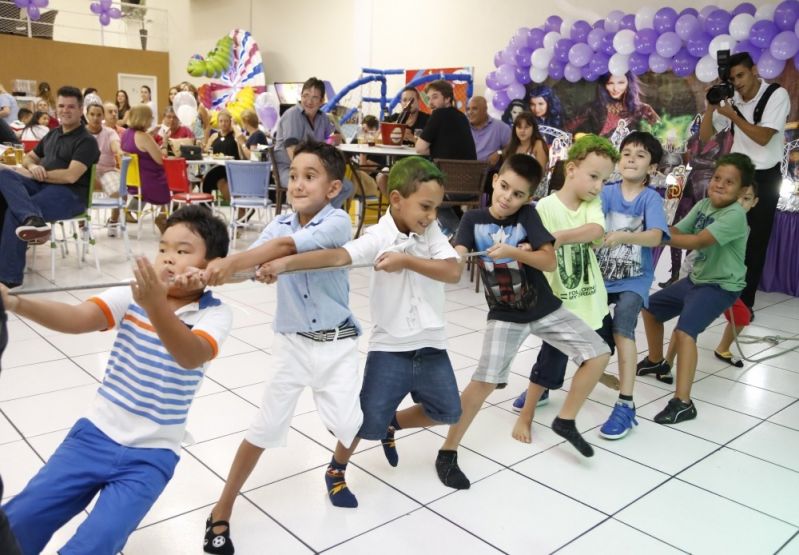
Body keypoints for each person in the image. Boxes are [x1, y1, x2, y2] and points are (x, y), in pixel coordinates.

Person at [1, 206, 233, 554]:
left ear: (211, 266)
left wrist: (155, 305)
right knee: (21, 518)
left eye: (183, 252)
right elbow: (79, 318)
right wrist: (15, 303)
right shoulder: (134, 294)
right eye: (163, 248)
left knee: (98, 542)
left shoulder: (215, 313)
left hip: (151, 457)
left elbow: (190, 356)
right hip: (94, 435)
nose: (168, 259)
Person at [260, 156, 462, 507]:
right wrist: (284, 264)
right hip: (390, 347)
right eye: (426, 206)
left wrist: (407, 261)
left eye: (435, 208)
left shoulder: (430, 232)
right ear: (397, 199)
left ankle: (392, 426)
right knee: (362, 423)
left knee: (447, 411)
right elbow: (339, 256)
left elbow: (453, 272)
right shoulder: (377, 236)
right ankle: (336, 469)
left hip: (432, 343)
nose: (431, 215)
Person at [199, 141, 361, 555]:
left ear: (333, 188)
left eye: (310, 176)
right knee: (264, 427)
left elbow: (288, 251)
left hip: (337, 344)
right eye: (293, 175)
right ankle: (222, 508)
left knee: (351, 422)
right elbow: (255, 263)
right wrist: (209, 275)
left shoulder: (339, 221)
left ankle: (336, 470)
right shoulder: (277, 226)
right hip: (292, 346)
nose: (298, 184)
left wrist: (238, 262)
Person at [435, 152, 613, 490]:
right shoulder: (473, 219)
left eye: (518, 194)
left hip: (546, 308)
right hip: (505, 315)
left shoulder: (529, 216)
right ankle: (448, 450)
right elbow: (457, 258)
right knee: (483, 383)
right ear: (494, 181)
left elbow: (547, 262)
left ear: (528, 197)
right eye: (504, 187)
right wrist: (449, 258)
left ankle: (565, 420)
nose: (507, 197)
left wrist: (513, 252)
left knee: (599, 353)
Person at [510, 135, 620, 442]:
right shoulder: (543, 208)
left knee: (599, 354)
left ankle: (567, 416)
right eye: (593, 176)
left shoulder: (592, 204)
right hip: (561, 305)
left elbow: (596, 231)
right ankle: (527, 413)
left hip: (592, 301)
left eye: (604, 180)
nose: (598, 186)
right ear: (571, 169)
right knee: (547, 366)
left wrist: (559, 236)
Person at [636, 153, 754, 424]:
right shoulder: (703, 205)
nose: (720, 185)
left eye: (729, 182)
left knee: (686, 332)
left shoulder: (735, 215)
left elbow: (699, 241)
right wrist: (650, 230)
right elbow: (677, 229)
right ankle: (656, 360)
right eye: (717, 179)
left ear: (742, 191)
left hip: (721, 286)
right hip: (697, 279)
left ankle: (683, 402)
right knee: (651, 309)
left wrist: (658, 240)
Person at [700, 52, 791, 318]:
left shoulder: (776, 94)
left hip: (765, 177)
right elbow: (705, 136)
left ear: (754, 70)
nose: (737, 83)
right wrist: (710, 106)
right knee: (723, 235)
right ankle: (717, 293)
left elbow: (763, 137)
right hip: (737, 175)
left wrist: (733, 115)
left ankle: (743, 304)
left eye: (740, 75)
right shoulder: (731, 99)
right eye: (732, 78)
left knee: (756, 242)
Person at [591, 131, 669, 439]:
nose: (631, 159)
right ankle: (544, 382)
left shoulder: (651, 198)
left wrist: (625, 236)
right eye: (626, 153)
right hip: (598, 276)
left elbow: (655, 235)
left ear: (652, 167)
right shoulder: (606, 192)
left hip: (634, 280)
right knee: (570, 322)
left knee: (624, 326)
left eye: (640, 155)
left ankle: (626, 403)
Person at [0, 86, 100, 289]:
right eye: (61, 106)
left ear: (81, 109)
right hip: (41, 185)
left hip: (70, 195)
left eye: (71, 107)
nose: (65, 110)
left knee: (14, 211)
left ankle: (8, 278)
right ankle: (32, 219)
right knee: (3, 175)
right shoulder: (52, 135)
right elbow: (29, 157)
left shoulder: (86, 141)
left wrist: (40, 174)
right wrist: (33, 167)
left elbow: (71, 176)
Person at [663, 182, 759, 370]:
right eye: (737, 197)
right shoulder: (718, 216)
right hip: (698, 277)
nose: (740, 203)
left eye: (746, 199)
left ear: (755, 202)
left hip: (724, 283)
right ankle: (667, 362)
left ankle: (722, 348)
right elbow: (696, 246)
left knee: (742, 316)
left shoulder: (743, 225)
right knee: (686, 324)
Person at [273, 77, 350, 207]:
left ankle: (322, 218)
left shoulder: (323, 118)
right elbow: (292, 150)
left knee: (345, 186)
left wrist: (335, 138)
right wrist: (310, 173)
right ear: (301, 96)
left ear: (322, 101)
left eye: (314, 97)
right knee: (317, 187)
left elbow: (329, 139)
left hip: (314, 170)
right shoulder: (293, 115)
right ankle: (313, 219)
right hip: (290, 170)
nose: (309, 101)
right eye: (306, 95)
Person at [120, 104, 170, 231]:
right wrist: (164, 143)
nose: (152, 120)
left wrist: (151, 136)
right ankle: (163, 216)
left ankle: (130, 209)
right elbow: (161, 160)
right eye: (150, 117)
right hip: (151, 182)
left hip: (133, 181)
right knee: (177, 183)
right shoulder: (144, 137)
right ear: (143, 118)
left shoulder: (126, 134)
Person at [566, 72, 659, 138]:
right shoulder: (591, 108)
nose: (615, 88)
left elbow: (662, 132)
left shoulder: (643, 110)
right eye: (610, 83)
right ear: (604, 86)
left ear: (628, 84)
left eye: (621, 83)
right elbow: (565, 130)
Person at [414, 80, 476, 161]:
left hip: (445, 171)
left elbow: (420, 148)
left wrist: (435, 151)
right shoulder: (462, 116)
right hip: (470, 172)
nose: (430, 103)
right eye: (428, 99)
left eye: (435, 97)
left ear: (447, 99)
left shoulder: (438, 114)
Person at [201, 109, 240, 203]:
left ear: (230, 122)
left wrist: (235, 127)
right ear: (218, 123)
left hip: (231, 167)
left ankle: (238, 205)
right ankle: (206, 205)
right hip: (215, 166)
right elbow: (206, 150)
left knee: (216, 178)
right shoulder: (214, 136)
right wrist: (202, 146)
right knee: (206, 177)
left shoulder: (235, 135)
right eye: (221, 121)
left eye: (226, 121)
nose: (223, 124)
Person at [85, 102, 122, 199]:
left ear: (103, 117)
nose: (95, 118)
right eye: (92, 114)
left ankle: (115, 214)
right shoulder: (80, 133)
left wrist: (119, 151)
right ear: (86, 116)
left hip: (107, 171)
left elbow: (115, 145)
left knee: (119, 192)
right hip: (84, 172)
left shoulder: (110, 132)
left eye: (99, 115)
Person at [467, 95, 511, 166]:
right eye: (468, 109)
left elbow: (512, 147)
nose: (470, 112)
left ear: (485, 109)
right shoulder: (463, 127)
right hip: (465, 171)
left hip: (490, 172)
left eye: (474, 109)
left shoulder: (500, 127)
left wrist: (499, 152)